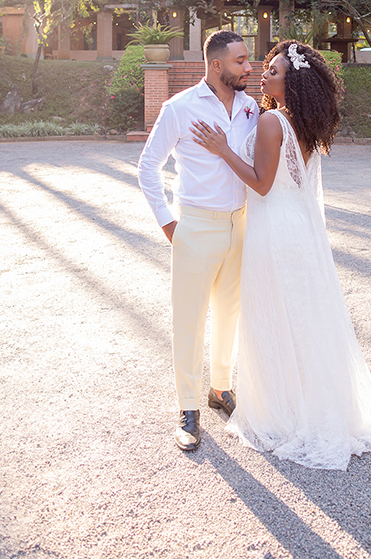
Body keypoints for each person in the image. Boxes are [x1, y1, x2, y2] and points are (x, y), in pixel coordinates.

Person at [191, 39, 371, 470]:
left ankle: (283, 412)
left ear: (291, 82)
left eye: (274, 71)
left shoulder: (274, 121)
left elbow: (261, 183)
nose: (264, 74)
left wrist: (222, 150)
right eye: (267, 69)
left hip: (274, 230)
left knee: (273, 318)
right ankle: (314, 403)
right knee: (302, 320)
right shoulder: (305, 125)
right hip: (300, 230)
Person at [138, 30, 259, 452]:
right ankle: (188, 407)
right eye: (241, 61)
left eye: (249, 60)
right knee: (188, 319)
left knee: (230, 312)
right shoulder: (179, 108)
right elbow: (147, 166)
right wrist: (169, 224)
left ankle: (220, 389)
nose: (249, 67)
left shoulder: (250, 107)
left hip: (240, 225)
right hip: (195, 226)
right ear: (216, 65)